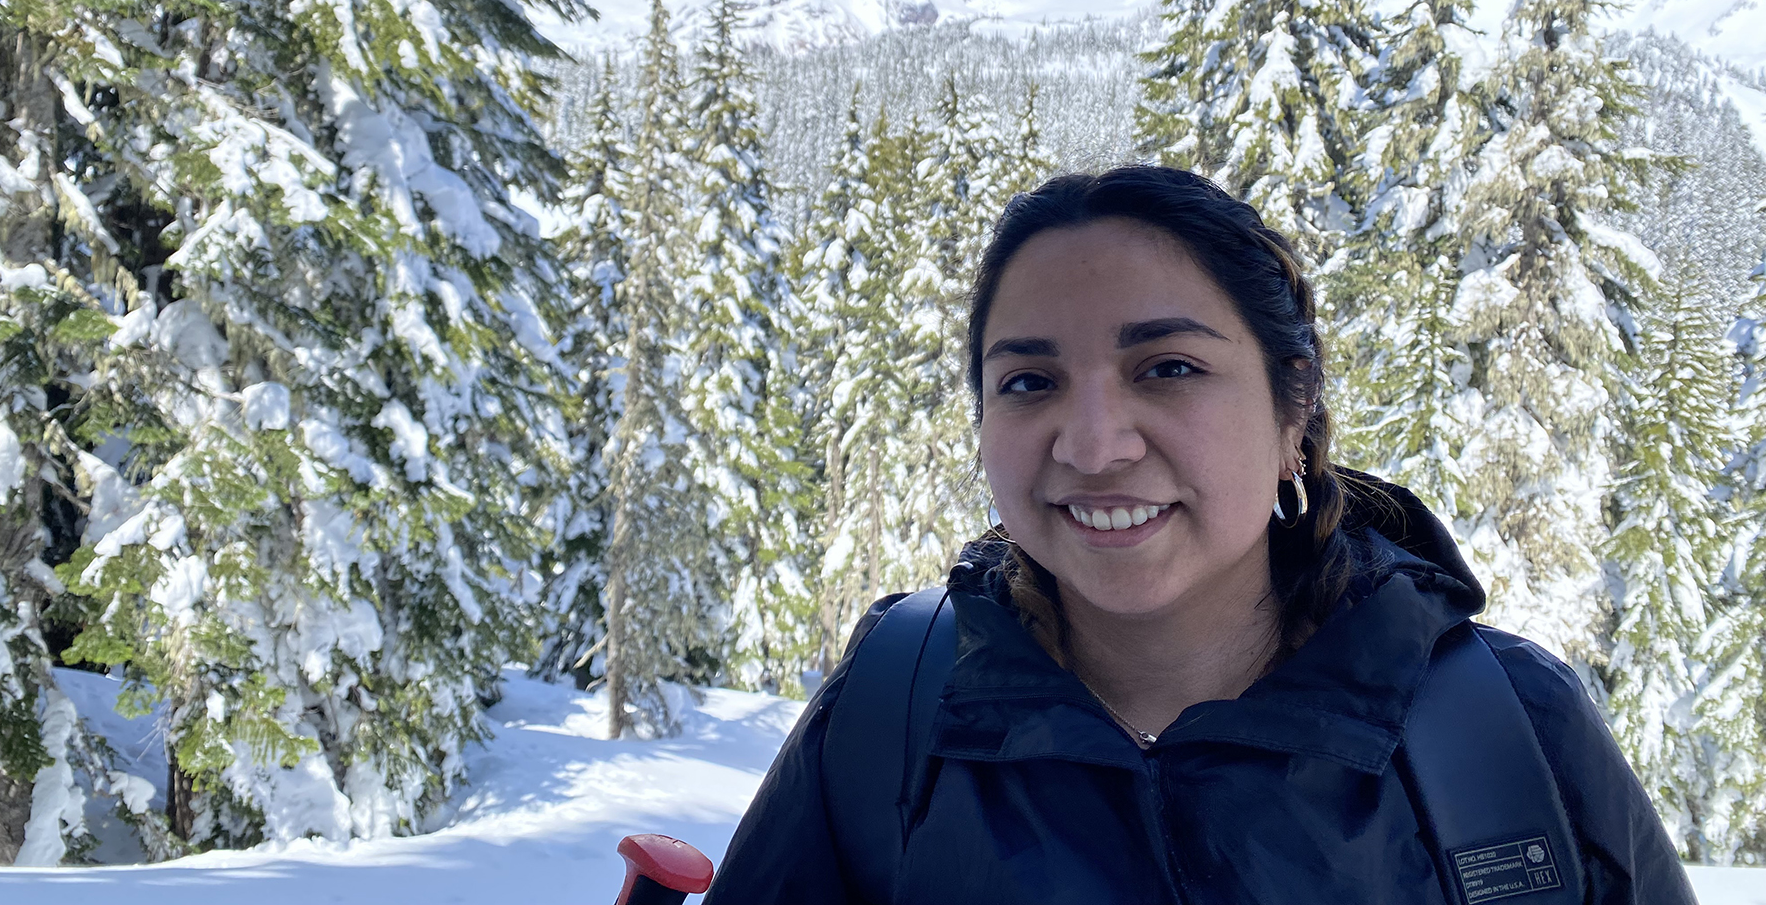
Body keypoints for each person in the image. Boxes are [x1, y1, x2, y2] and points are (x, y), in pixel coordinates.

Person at [703, 165, 1694, 905]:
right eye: (1029, 382)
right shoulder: (892, 712)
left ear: (1292, 409)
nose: (1092, 446)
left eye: (1167, 367)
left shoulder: (1500, 737)